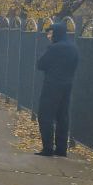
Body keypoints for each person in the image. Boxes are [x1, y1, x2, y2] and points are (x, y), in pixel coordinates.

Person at [36, 21, 79, 157]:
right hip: (67, 85)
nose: (49, 36)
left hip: (51, 85)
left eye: (51, 33)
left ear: (56, 33)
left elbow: (41, 64)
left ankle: (48, 148)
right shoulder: (73, 47)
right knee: (62, 116)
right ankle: (61, 148)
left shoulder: (54, 48)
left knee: (45, 115)